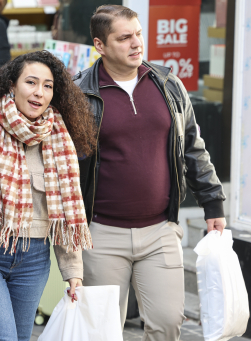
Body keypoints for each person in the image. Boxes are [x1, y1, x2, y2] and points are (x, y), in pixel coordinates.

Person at [75, 5, 226, 340]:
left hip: (160, 230)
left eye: (138, 33)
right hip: (102, 233)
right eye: (124, 37)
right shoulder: (79, 93)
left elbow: (192, 147)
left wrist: (213, 203)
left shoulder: (168, 84)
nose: (136, 43)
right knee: (102, 331)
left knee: (168, 322)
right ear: (100, 45)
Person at [0, 50, 97, 341]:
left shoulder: (59, 141)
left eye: (48, 86)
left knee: (20, 338)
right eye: (31, 82)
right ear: (11, 86)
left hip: (34, 259)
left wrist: (73, 271)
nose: (39, 92)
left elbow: (66, 213)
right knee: (2, 338)